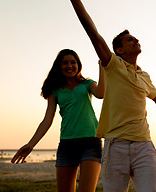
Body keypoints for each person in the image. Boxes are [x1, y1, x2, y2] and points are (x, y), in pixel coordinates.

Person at [59, 0, 156, 192]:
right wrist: (75, 0)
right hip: (116, 146)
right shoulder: (113, 65)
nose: (136, 41)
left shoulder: (144, 76)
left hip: (144, 145)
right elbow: (93, 33)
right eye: (130, 39)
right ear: (119, 50)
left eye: (136, 38)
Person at [11, 49, 104, 192]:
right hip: (67, 144)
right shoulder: (56, 90)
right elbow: (47, 119)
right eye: (65, 63)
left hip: (91, 142)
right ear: (59, 66)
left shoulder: (87, 84)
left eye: (73, 62)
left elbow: (101, 93)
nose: (70, 66)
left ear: (78, 65)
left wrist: (102, 67)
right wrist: (31, 144)